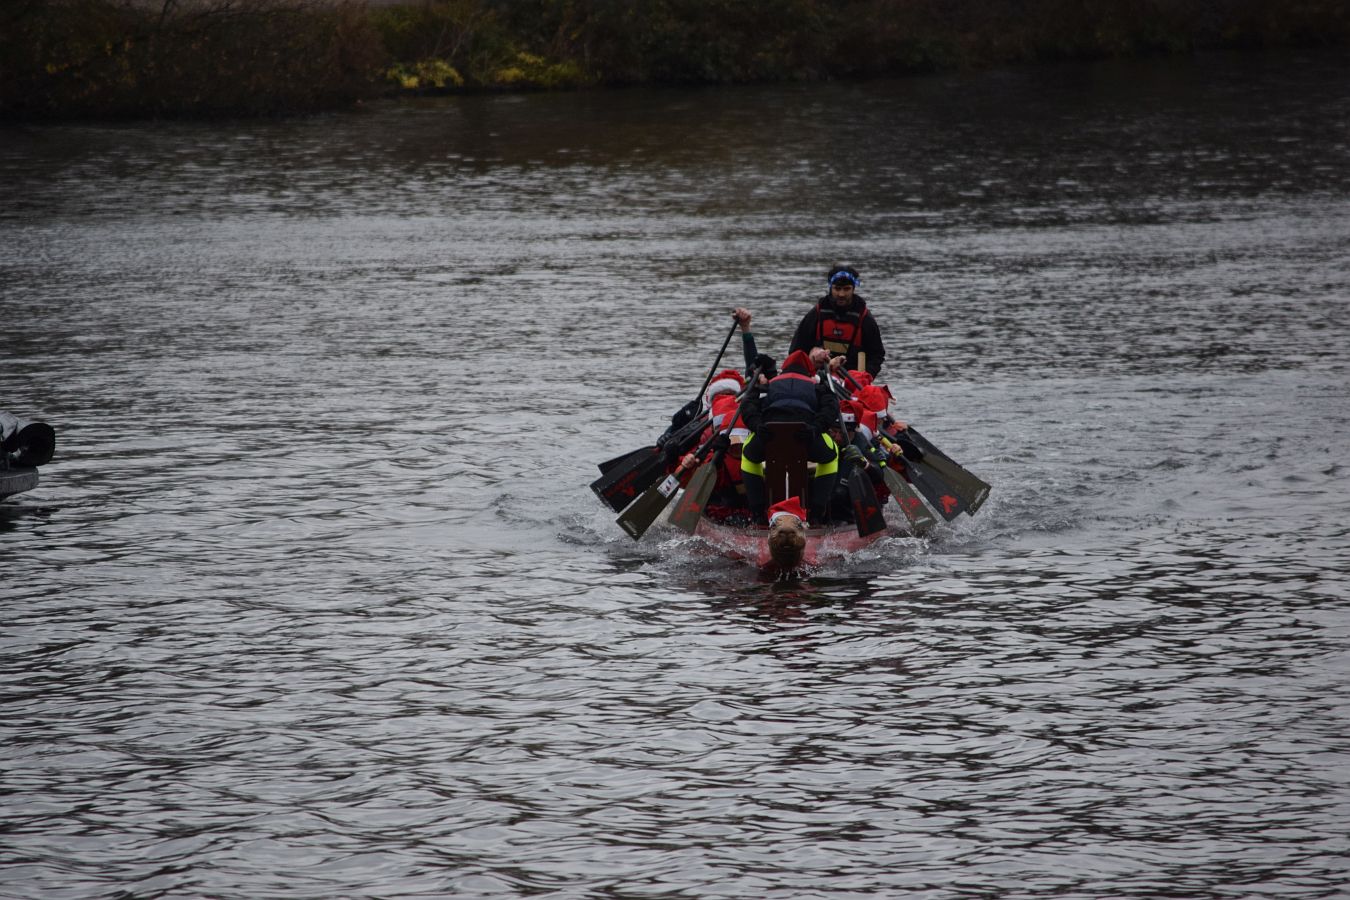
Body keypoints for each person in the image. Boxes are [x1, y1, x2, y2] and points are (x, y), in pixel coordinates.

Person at [739, 349, 841, 524]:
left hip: (769, 436)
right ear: (810, 372)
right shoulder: (816, 387)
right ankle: (816, 515)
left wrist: (757, 426)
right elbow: (832, 407)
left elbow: (747, 405)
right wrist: (816, 428)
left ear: (783, 370)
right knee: (832, 455)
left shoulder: (768, 386)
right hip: (806, 437)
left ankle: (758, 515)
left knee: (747, 455)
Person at [788, 264, 886, 377]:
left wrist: (866, 377)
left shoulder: (864, 318)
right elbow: (796, 351)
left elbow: (877, 355)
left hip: (852, 380)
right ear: (830, 287)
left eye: (846, 289)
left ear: (853, 288)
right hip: (819, 377)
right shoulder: (817, 313)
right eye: (837, 289)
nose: (841, 294)